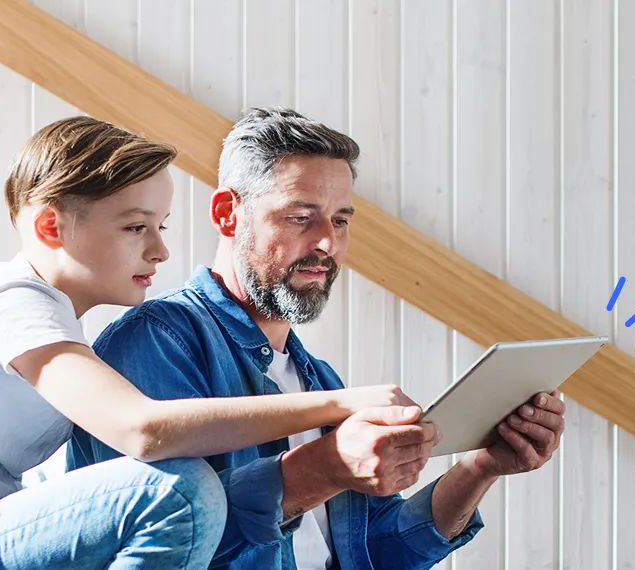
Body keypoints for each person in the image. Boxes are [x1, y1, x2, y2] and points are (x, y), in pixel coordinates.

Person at [0, 116, 418, 570]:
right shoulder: (13, 304)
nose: (159, 251)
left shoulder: (53, 324)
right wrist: (345, 406)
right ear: (50, 227)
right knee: (181, 492)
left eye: (159, 228)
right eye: (136, 227)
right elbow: (143, 429)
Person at [68, 107, 569, 570]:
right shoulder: (156, 342)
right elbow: (156, 538)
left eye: (341, 220)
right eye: (300, 217)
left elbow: (373, 552)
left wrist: (479, 468)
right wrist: (323, 469)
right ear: (227, 213)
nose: (327, 242)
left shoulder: (316, 377)